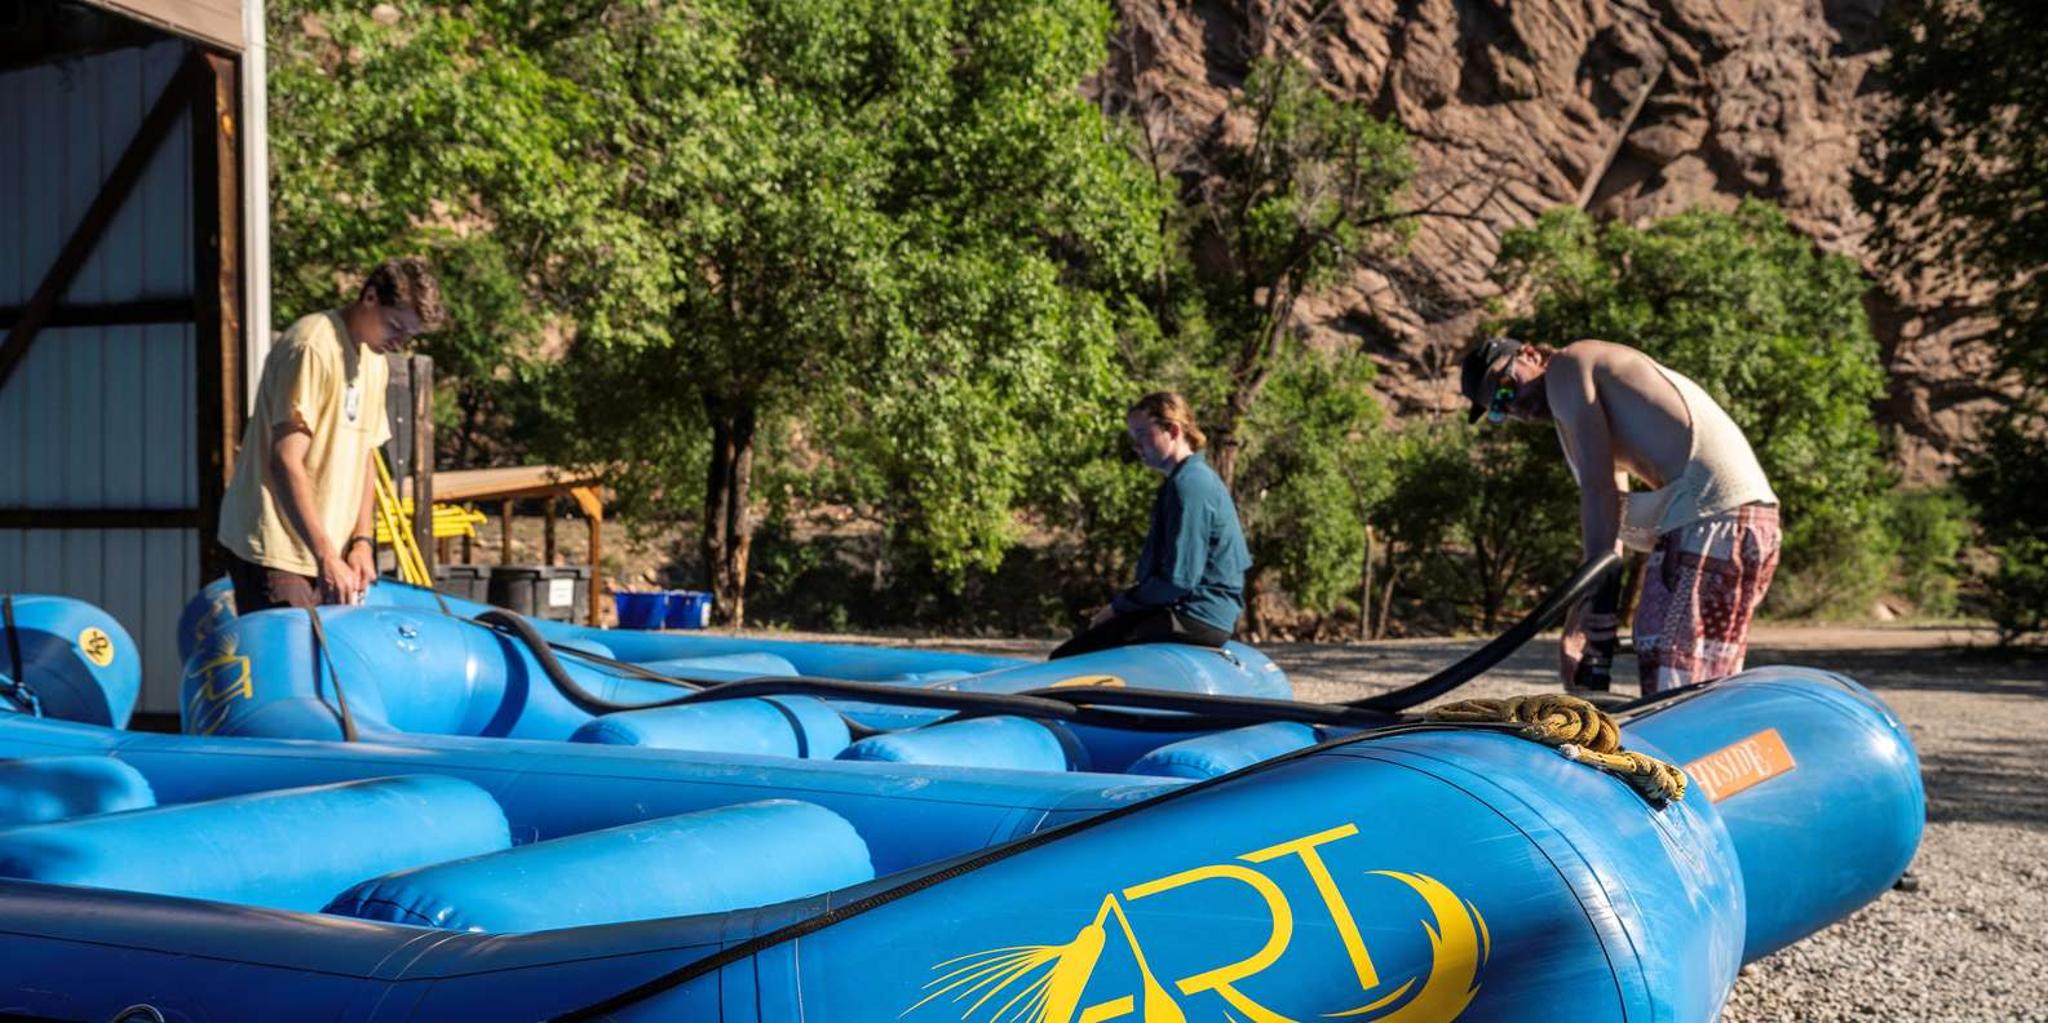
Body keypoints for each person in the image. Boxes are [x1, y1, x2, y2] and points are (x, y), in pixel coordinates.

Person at [1458, 337, 1781, 694]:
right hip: (1745, 519)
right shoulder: (1583, 407)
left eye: (1505, 390)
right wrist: (1585, 620)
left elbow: (1598, 494)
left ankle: (1673, 749)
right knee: (1700, 677)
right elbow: (1612, 518)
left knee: (1675, 680)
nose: (1515, 407)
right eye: (1500, 411)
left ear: (1531, 354)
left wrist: (1582, 612)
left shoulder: (1568, 366)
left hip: (1711, 517)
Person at [217, 257, 447, 614]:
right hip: (278, 547)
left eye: (409, 335)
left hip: (326, 551)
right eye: (395, 327)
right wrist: (326, 554)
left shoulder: (375, 360)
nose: (400, 342)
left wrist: (360, 542)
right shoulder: (313, 346)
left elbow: (366, 456)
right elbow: (285, 458)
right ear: (370, 297)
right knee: (292, 664)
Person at [1051, 392, 1250, 660]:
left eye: (1143, 434)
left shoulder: (1189, 485)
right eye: (1134, 437)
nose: (1136, 445)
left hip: (1196, 617)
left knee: (1068, 659)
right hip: (1200, 614)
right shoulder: (1187, 480)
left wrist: (1118, 608)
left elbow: (1179, 580)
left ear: (1174, 430)